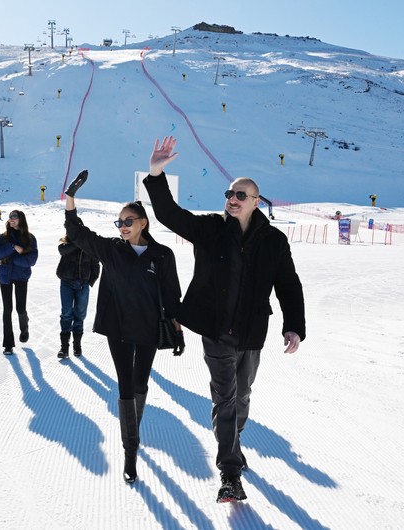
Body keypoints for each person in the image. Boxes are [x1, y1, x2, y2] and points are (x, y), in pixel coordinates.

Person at [142, 136, 306, 504]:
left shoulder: (274, 241)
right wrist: (156, 174)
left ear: (255, 202)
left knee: (242, 395)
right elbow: (169, 214)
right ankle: (230, 473)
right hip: (216, 330)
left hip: (251, 332)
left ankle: (230, 438)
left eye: (240, 195)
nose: (231, 199)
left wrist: (293, 323)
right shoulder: (211, 230)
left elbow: (288, 283)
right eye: (229, 193)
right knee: (225, 398)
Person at [63, 169, 183, 484]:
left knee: (141, 384)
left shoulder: (162, 255)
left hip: (147, 329)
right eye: (119, 222)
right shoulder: (113, 251)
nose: (123, 227)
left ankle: (133, 430)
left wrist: (177, 326)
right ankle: (130, 450)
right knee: (125, 385)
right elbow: (79, 235)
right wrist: (71, 201)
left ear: (143, 222)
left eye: (128, 221)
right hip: (118, 328)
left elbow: (172, 294)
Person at [0, 210, 38, 355]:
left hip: (21, 276)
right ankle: (8, 344)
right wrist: (12, 247)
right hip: (5, 276)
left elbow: (32, 259)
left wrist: (16, 259)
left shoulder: (29, 238)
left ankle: (24, 328)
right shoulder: (3, 237)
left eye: (14, 217)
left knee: (20, 309)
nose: (11, 220)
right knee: (7, 310)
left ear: (21, 220)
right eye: (10, 217)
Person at [56, 234, 101, 358]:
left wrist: (90, 281)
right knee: (66, 313)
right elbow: (62, 250)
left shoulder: (89, 247)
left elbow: (96, 265)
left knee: (80, 314)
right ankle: (64, 348)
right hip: (66, 283)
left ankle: (77, 345)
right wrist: (77, 241)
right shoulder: (66, 244)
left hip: (82, 284)